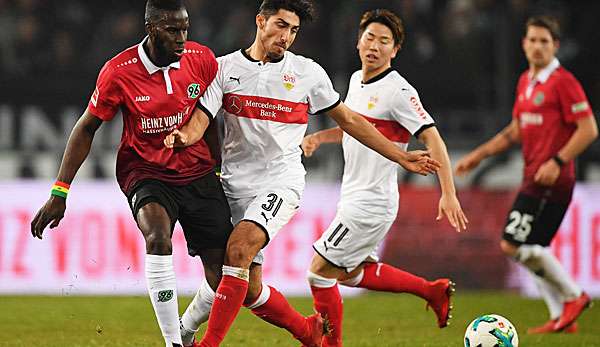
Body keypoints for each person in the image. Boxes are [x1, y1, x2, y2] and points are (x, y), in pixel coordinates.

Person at [164, 1, 441, 346]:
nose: (286, 37)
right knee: (243, 286)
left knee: (238, 251)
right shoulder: (225, 69)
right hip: (233, 185)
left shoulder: (308, 73)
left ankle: (204, 343)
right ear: (260, 21)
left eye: (293, 30)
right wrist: (184, 136)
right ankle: (305, 330)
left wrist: (400, 157)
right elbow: (201, 120)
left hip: (281, 182)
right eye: (280, 26)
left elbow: (352, 121)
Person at [29, 1, 233, 346]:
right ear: (151, 28)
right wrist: (59, 191)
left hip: (197, 172)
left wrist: (217, 167)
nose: (182, 38)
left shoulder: (201, 59)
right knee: (157, 237)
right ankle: (172, 343)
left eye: (185, 29)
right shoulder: (119, 71)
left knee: (222, 274)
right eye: (172, 30)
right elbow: (86, 127)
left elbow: (209, 118)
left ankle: (185, 330)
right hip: (145, 170)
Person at [300, 9, 468, 346]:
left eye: (384, 41)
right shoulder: (354, 81)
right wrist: (321, 137)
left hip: (372, 202)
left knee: (318, 272)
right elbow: (357, 129)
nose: (374, 46)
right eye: (370, 37)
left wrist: (448, 193)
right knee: (348, 273)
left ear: (395, 50)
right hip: (353, 196)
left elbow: (433, 139)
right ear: (359, 41)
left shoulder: (399, 91)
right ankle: (431, 291)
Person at [455, 15, 597, 334]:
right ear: (523, 44)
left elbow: (588, 129)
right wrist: (478, 155)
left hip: (552, 180)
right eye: (532, 40)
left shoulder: (563, 82)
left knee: (512, 244)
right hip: (533, 177)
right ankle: (562, 318)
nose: (537, 46)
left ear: (555, 46)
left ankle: (574, 296)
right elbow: (515, 131)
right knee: (532, 249)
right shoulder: (525, 82)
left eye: (544, 41)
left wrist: (558, 161)